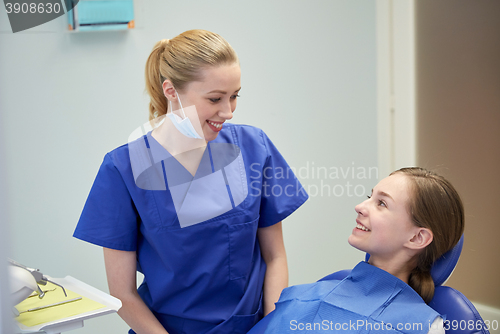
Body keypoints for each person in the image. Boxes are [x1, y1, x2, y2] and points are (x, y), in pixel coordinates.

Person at [73, 29, 308, 334]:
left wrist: (272, 328)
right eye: (214, 99)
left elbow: (274, 256)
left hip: (254, 328)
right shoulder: (123, 168)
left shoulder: (254, 147)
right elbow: (122, 293)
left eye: (234, 96)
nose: (228, 112)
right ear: (171, 91)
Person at [248, 167, 464, 334]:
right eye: (370, 196)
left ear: (417, 238)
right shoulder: (308, 294)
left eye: (381, 203)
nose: (360, 206)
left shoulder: (422, 325)